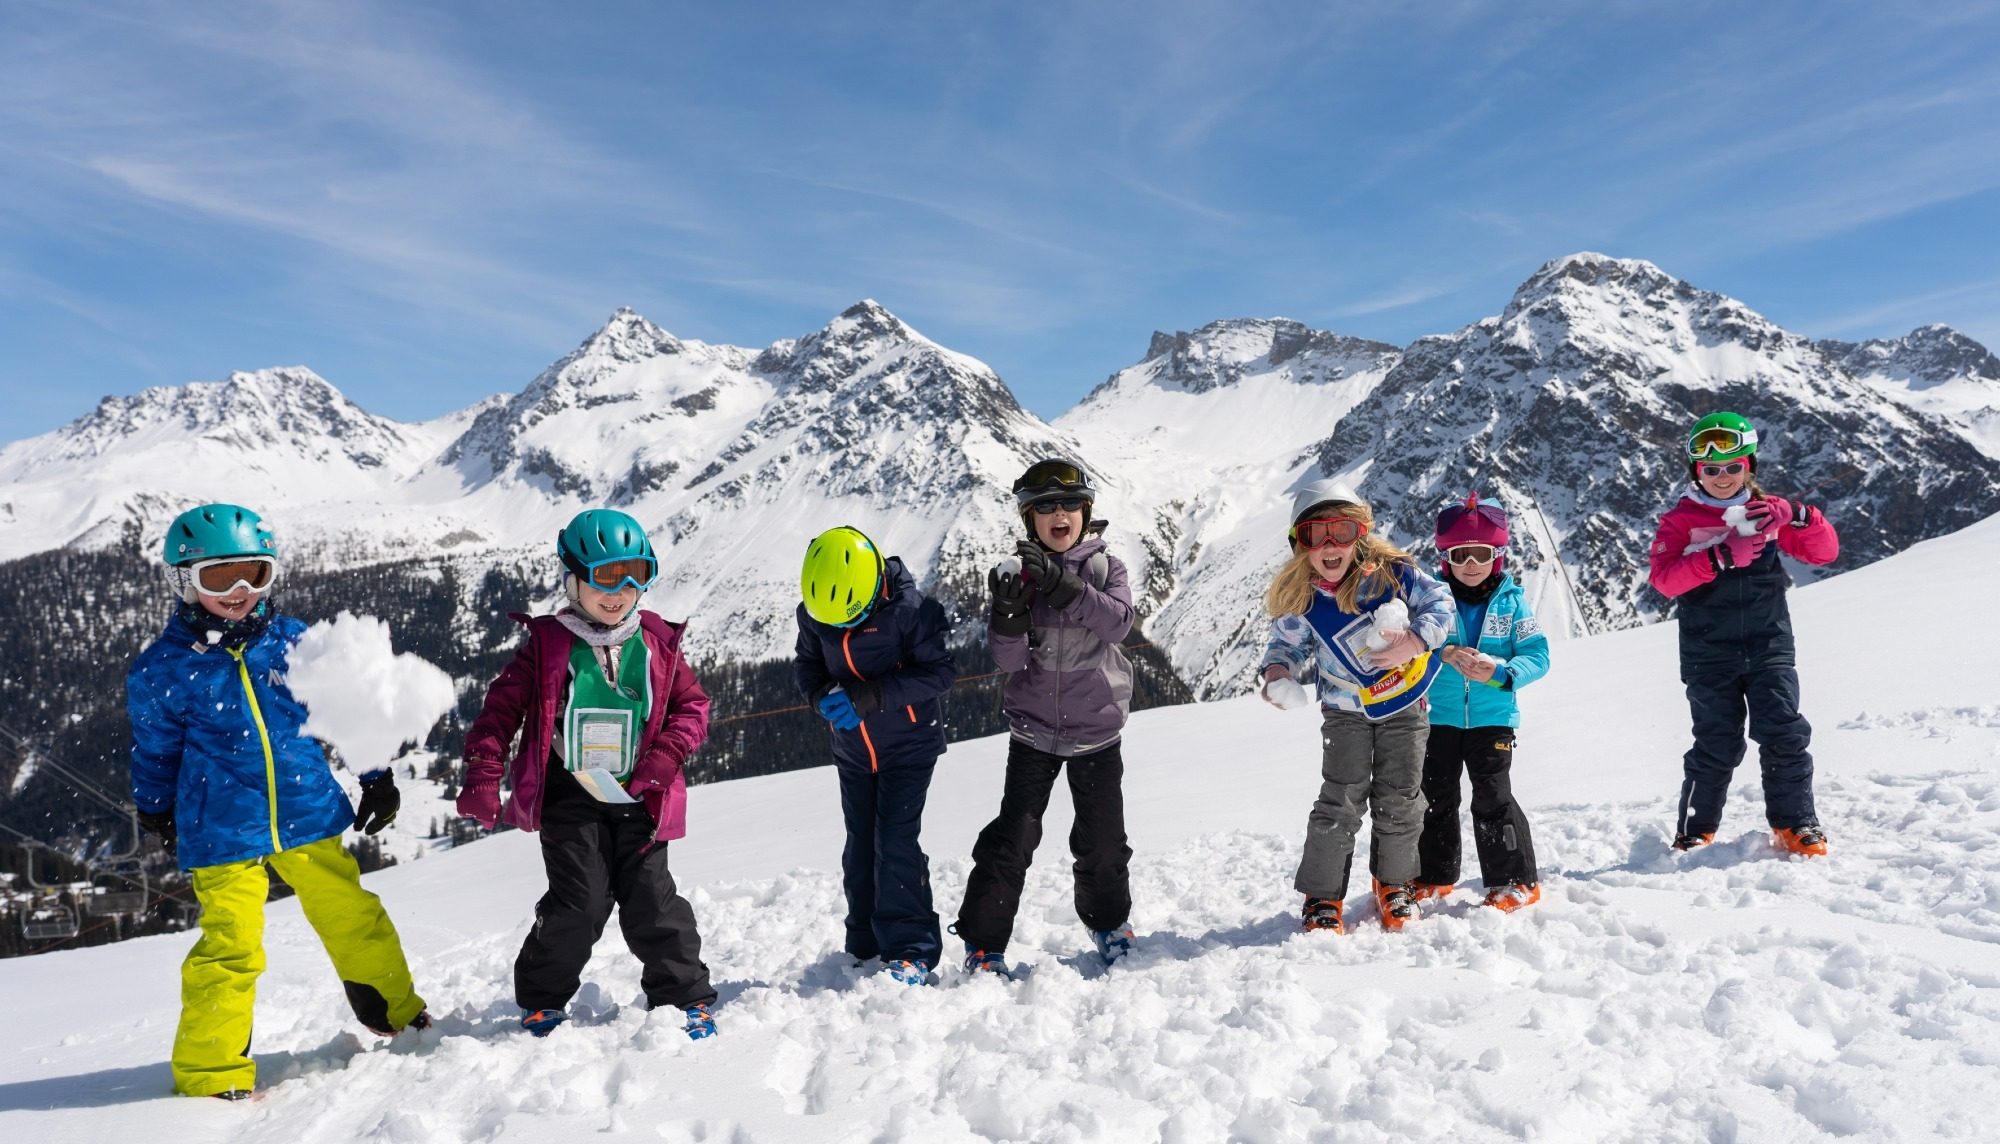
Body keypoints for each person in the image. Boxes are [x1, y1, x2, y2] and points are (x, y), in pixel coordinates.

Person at [129, 503, 429, 1100]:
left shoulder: (298, 643)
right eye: (219, 578)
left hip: (306, 809)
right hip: (221, 826)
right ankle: (212, 1073)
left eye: (255, 574)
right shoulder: (163, 669)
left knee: (353, 918)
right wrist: (156, 808)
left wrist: (375, 775)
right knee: (231, 944)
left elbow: (345, 712)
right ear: (185, 582)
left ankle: (396, 1012)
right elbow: (155, 750)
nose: (239, 591)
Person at [455, 509, 718, 1039]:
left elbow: (693, 709)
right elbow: (498, 713)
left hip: (640, 795)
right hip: (569, 797)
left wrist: (665, 756)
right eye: (604, 576)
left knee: (653, 899)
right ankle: (542, 998)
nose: (620, 590)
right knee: (581, 902)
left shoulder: (657, 641)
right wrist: (485, 774)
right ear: (572, 577)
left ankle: (682, 996)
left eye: (636, 574)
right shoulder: (549, 645)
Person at [954, 460, 1137, 977]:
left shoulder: (1108, 570)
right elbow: (1008, 661)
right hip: (1033, 731)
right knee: (1013, 838)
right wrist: (1008, 614)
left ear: (1086, 514)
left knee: (1103, 840)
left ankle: (1109, 924)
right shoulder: (1020, 577)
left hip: (1096, 731)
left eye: (1070, 506)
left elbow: (1119, 624)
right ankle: (984, 945)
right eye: (1046, 507)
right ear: (1029, 518)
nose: (1060, 515)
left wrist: (1068, 588)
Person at [1259, 480, 1455, 933]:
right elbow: (1283, 648)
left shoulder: (1394, 574)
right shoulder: (1304, 599)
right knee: (1341, 798)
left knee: (1402, 795)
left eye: (1342, 531)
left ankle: (1395, 883)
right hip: (1345, 711)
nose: (1330, 545)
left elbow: (1440, 603)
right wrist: (1278, 675)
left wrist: (1415, 639)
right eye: (1315, 535)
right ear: (1299, 544)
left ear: (1361, 536)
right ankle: (1323, 896)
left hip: (1405, 704)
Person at [1648, 412, 1840, 855]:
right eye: (1710, 469)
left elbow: (1824, 553)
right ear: (1696, 470)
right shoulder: (1681, 520)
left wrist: (1798, 514)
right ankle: (1696, 829)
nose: (1722, 476)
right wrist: (1718, 557)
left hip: (1768, 643)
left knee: (1784, 732)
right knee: (1717, 742)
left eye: (1733, 466)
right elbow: (1665, 579)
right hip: (1707, 651)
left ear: (1749, 467)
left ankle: (1796, 824)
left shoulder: (1766, 513)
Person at [793, 525, 958, 985]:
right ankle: (865, 942)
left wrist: (870, 696)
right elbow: (807, 665)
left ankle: (912, 947)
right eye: (833, 624)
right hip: (852, 752)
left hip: (909, 745)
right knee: (860, 846)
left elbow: (940, 675)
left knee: (896, 843)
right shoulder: (814, 614)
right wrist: (819, 695)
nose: (841, 629)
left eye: (851, 619)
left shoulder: (912, 611)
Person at [1412, 493, 1551, 912]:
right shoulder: (1433, 602)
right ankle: (1434, 877)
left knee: (1493, 796)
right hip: (1439, 718)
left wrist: (1499, 673)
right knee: (1436, 796)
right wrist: (1442, 654)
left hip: (1493, 718)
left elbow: (1537, 656)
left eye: (1481, 553)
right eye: (1460, 554)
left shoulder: (1512, 602)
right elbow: (1411, 648)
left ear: (1498, 556)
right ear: (1445, 559)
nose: (1471, 564)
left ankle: (1514, 881)